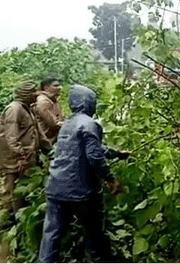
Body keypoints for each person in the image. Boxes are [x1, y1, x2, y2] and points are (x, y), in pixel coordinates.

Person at [38, 84, 130, 263]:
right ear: (89, 103)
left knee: (51, 236)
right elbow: (94, 155)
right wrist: (110, 178)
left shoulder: (67, 124)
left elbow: (86, 148)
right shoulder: (90, 124)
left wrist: (116, 153)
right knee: (94, 235)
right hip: (80, 190)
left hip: (56, 187)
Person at [0, 82, 47, 217]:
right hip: (13, 160)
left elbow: (37, 132)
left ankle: (17, 217)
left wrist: (46, 148)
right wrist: (19, 157)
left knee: (22, 190)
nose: (37, 94)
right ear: (25, 94)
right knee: (10, 191)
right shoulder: (14, 110)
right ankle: (6, 223)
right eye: (33, 92)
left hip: (26, 157)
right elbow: (11, 137)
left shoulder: (28, 109)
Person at [34, 73, 65, 146]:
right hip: (45, 143)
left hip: (53, 140)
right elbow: (54, 124)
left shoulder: (53, 100)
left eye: (59, 85)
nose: (59, 87)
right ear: (46, 88)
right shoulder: (43, 102)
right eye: (55, 86)